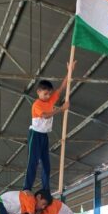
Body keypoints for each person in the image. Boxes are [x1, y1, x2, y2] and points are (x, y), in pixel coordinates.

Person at [24, 61, 75, 192]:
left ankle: (46, 190)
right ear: (38, 92)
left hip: (44, 136)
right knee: (33, 163)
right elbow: (45, 116)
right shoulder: (37, 105)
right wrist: (61, 109)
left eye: (49, 94)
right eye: (45, 94)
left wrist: (69, 71)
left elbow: (62, 87)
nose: (48, 96)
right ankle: (27, 188)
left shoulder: (50, 99)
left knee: (46, 165)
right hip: (35, 135)